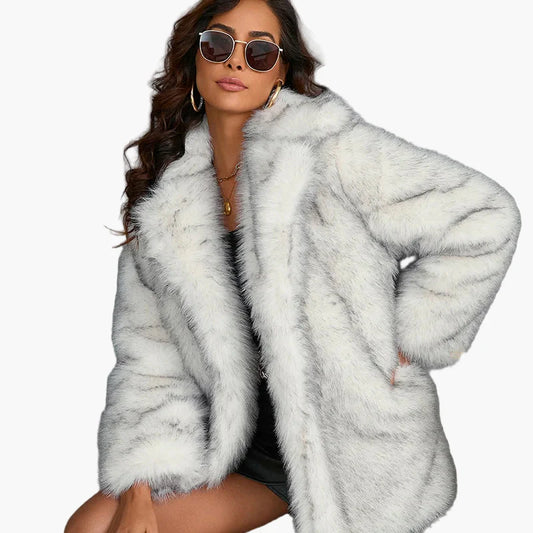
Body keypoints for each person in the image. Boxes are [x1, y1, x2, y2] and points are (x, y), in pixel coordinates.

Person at [64, 0, 521, 532]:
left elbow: (484, 216)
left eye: (260, 52)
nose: (236, 61)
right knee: (89, 527)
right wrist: (141, 484)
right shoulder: (167, 205)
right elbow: (150, 357)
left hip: (340, 438)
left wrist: (410, 335)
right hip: (233, 443)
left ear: (280, 72)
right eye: (218, 44)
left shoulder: (329, 151)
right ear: (195, 59)